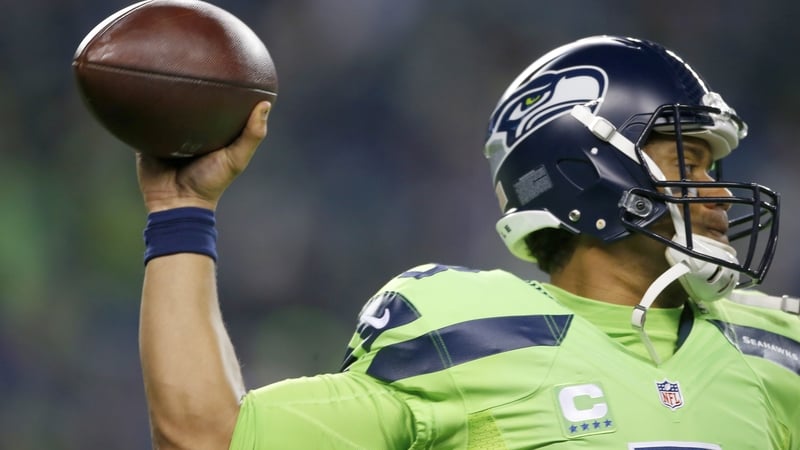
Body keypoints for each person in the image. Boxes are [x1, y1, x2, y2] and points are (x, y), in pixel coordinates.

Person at [135, 36, 799, 450]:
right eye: (689, 162)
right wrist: (181, 209)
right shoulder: (465, 333)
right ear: (585, 169)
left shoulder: (775, 351)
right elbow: (206, 436)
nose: (717, 193)